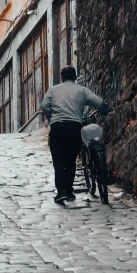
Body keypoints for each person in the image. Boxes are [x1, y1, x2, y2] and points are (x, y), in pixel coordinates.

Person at [41, 65, 107, 204]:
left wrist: (52, 118)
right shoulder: (82, 90)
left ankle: (61, 192)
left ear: (61, 77)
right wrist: (105, 110)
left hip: (58, 128)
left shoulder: (53, 90)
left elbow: (44, 105)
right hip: (74, 128)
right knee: (70, 161)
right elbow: (99, 102)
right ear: (75, 77)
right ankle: (69, 191)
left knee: (58, 161)